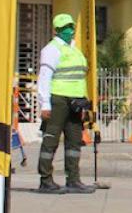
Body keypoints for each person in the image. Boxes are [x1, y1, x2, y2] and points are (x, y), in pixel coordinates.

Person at [36, 13, 95, 194]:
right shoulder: (51, 49)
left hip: (75, 101)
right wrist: (45, 104)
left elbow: (80, 78)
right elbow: (44, 77)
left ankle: (73, 180)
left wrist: (84, 102)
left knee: (74, 141)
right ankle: (46, 180)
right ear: (57, 30)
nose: (69, 31)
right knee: (51, 140)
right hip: (58, 99)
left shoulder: (75, 50)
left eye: (70, 27)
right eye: (64, 28)